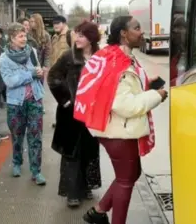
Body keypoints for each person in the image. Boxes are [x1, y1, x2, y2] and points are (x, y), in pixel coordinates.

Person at [75, 16, 168, 224]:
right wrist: (157, 95)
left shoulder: (116, 57)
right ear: (124, 34)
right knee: (126, 180)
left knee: (132, 173)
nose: (141, 32)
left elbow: (120, 89)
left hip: (114, 129)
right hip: (118, 131)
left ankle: (98, 212)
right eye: (136, 28)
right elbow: (126, 105)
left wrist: (147, 83)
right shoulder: (120, 65)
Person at [47, 21, 102, 208]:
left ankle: (85, 186)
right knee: (72, 152)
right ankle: (72, 192)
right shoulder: (69, 56)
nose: (76, 38)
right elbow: (53, 76)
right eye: (76, 35)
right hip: (71, 114)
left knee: (89, 149)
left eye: (81, 35)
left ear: (91, 39)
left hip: (92, 113)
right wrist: (66, 100)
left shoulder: (99, 57)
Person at [0, 22, 46, 185]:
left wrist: (39, 73)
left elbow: (37, 71)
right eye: (20, 36)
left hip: (35, 99)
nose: (24, 38)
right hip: (15, 103)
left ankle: (36, 171)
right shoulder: (4, 58)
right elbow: (10, 81)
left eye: (25, 35)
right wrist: (31, 73)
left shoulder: (32, 52)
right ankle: (17, 163)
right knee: (17, 136)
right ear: (12, 38)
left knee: (36, 137)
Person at [50, 15, 75, 128]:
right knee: (60, 99)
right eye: (54, 23)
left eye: (58, 23)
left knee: (68, 98)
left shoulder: (70, 34)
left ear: (64, 23)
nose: (55, 25)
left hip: (67, 72)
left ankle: (68, 122)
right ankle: (61, 121)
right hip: (57, 72)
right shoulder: (54, 37)